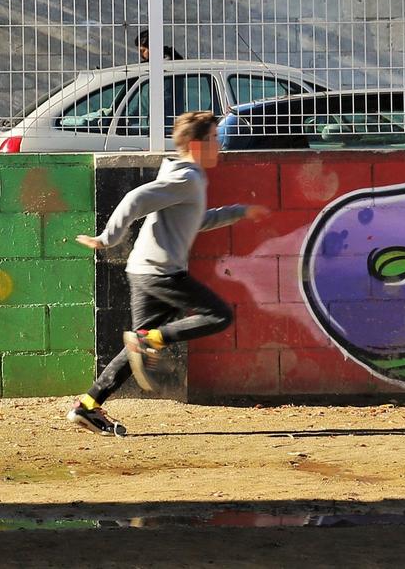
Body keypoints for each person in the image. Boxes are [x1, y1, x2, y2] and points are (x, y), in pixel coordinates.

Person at [66, 110, 266, 436]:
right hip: (160, 273)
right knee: (218, 315)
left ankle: (87, 405)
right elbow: (135, 198)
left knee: (135, 350)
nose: (220, 144)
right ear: (197, 145)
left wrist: (239, 212)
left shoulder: (191, 178)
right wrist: (107, 239)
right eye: (214, 138)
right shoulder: (186, 177)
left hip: (145, 270)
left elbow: (197, 220)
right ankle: (150, 340)